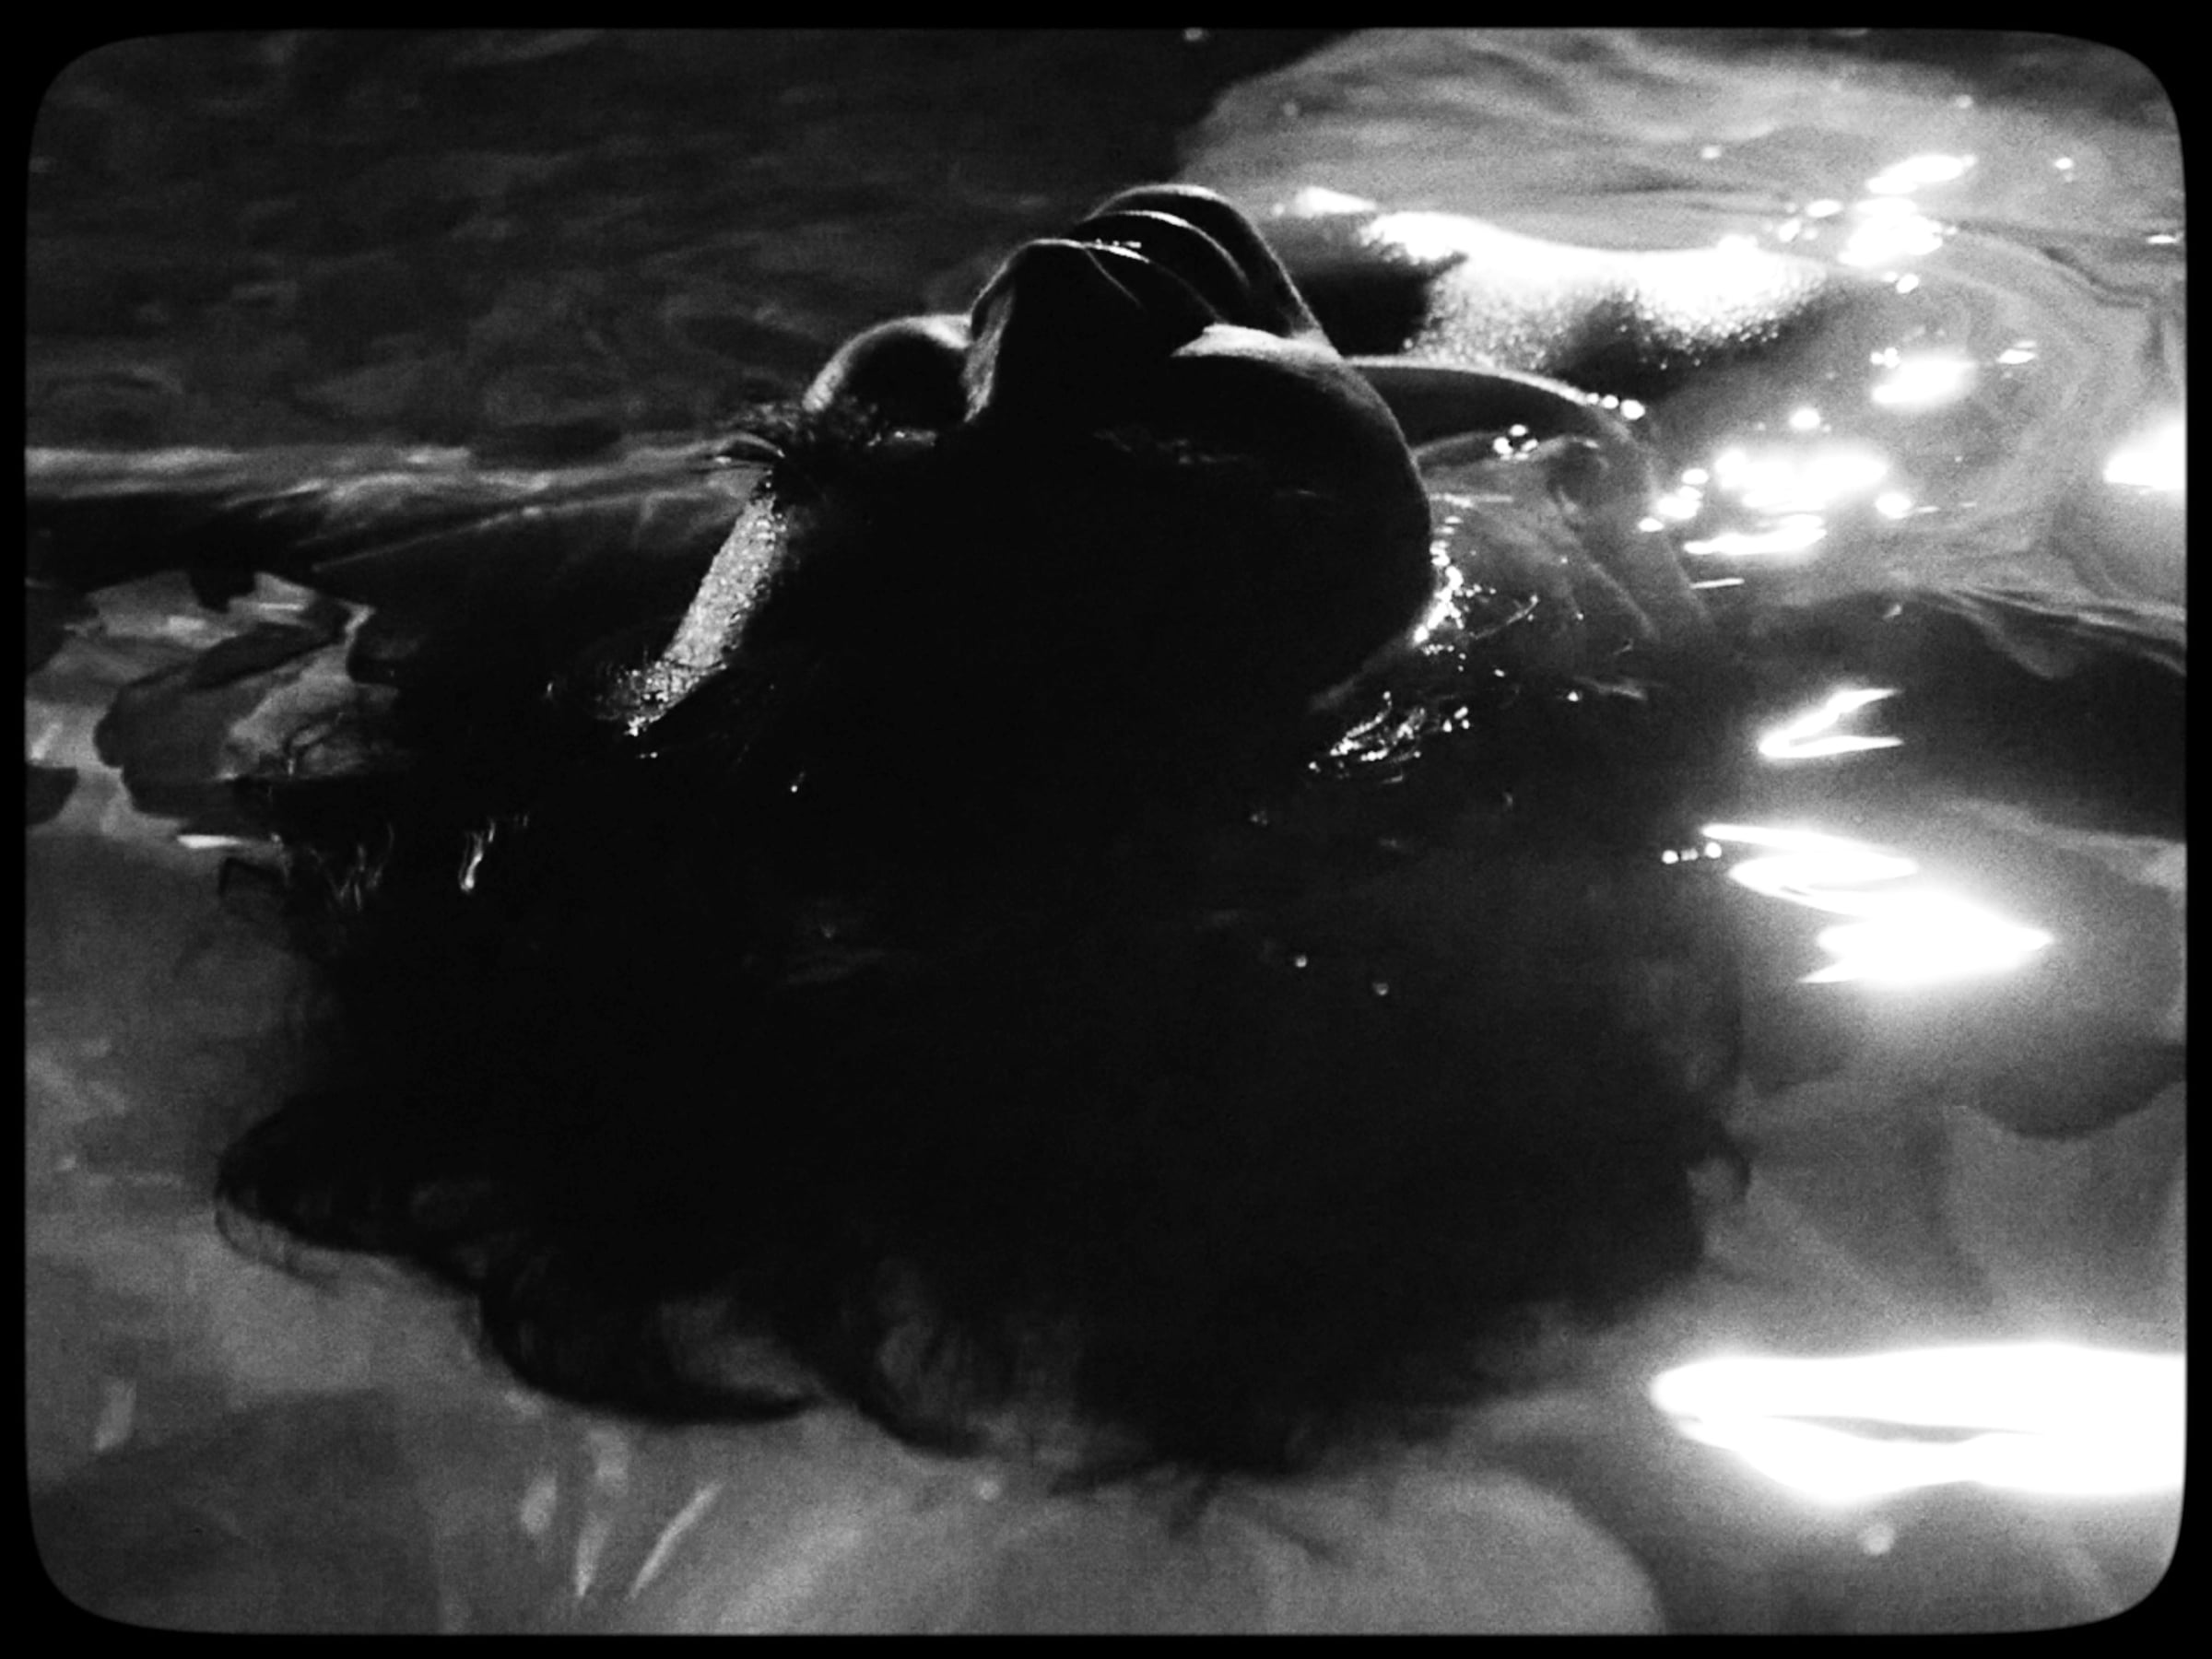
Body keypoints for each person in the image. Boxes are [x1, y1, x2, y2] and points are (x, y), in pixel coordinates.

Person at [23, 185, 2176, 1631]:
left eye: (838, 446)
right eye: (1179, 449)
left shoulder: (575, 639)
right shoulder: (1674, 653)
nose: (1050, 293)